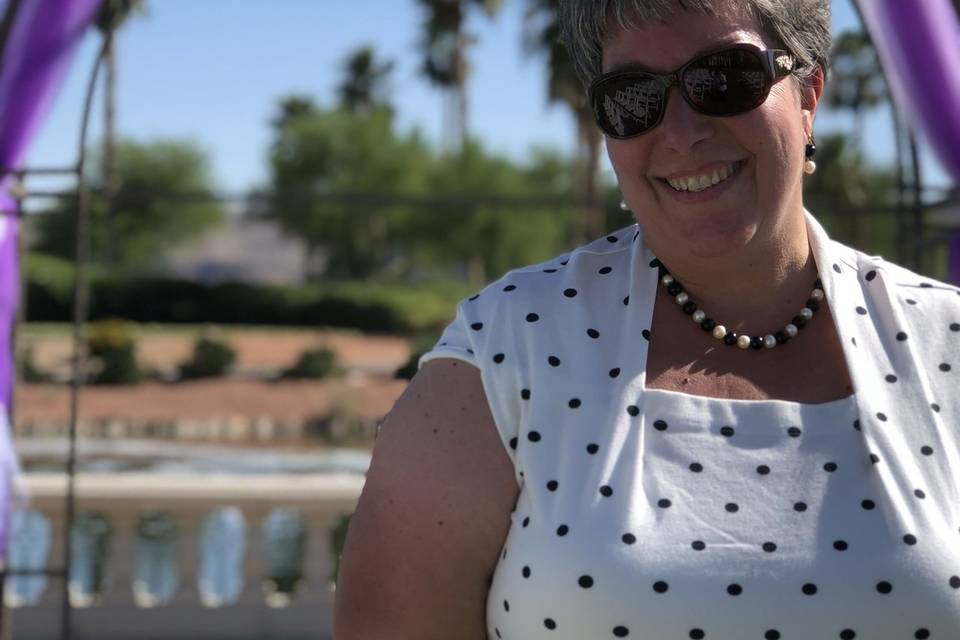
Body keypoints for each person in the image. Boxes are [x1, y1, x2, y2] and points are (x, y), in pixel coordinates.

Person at [333, 1, 960, 638]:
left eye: (724, 77)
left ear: (809, 96)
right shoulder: (505, 349)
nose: (683, 130)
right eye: (633, 97)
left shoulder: (949, 342)